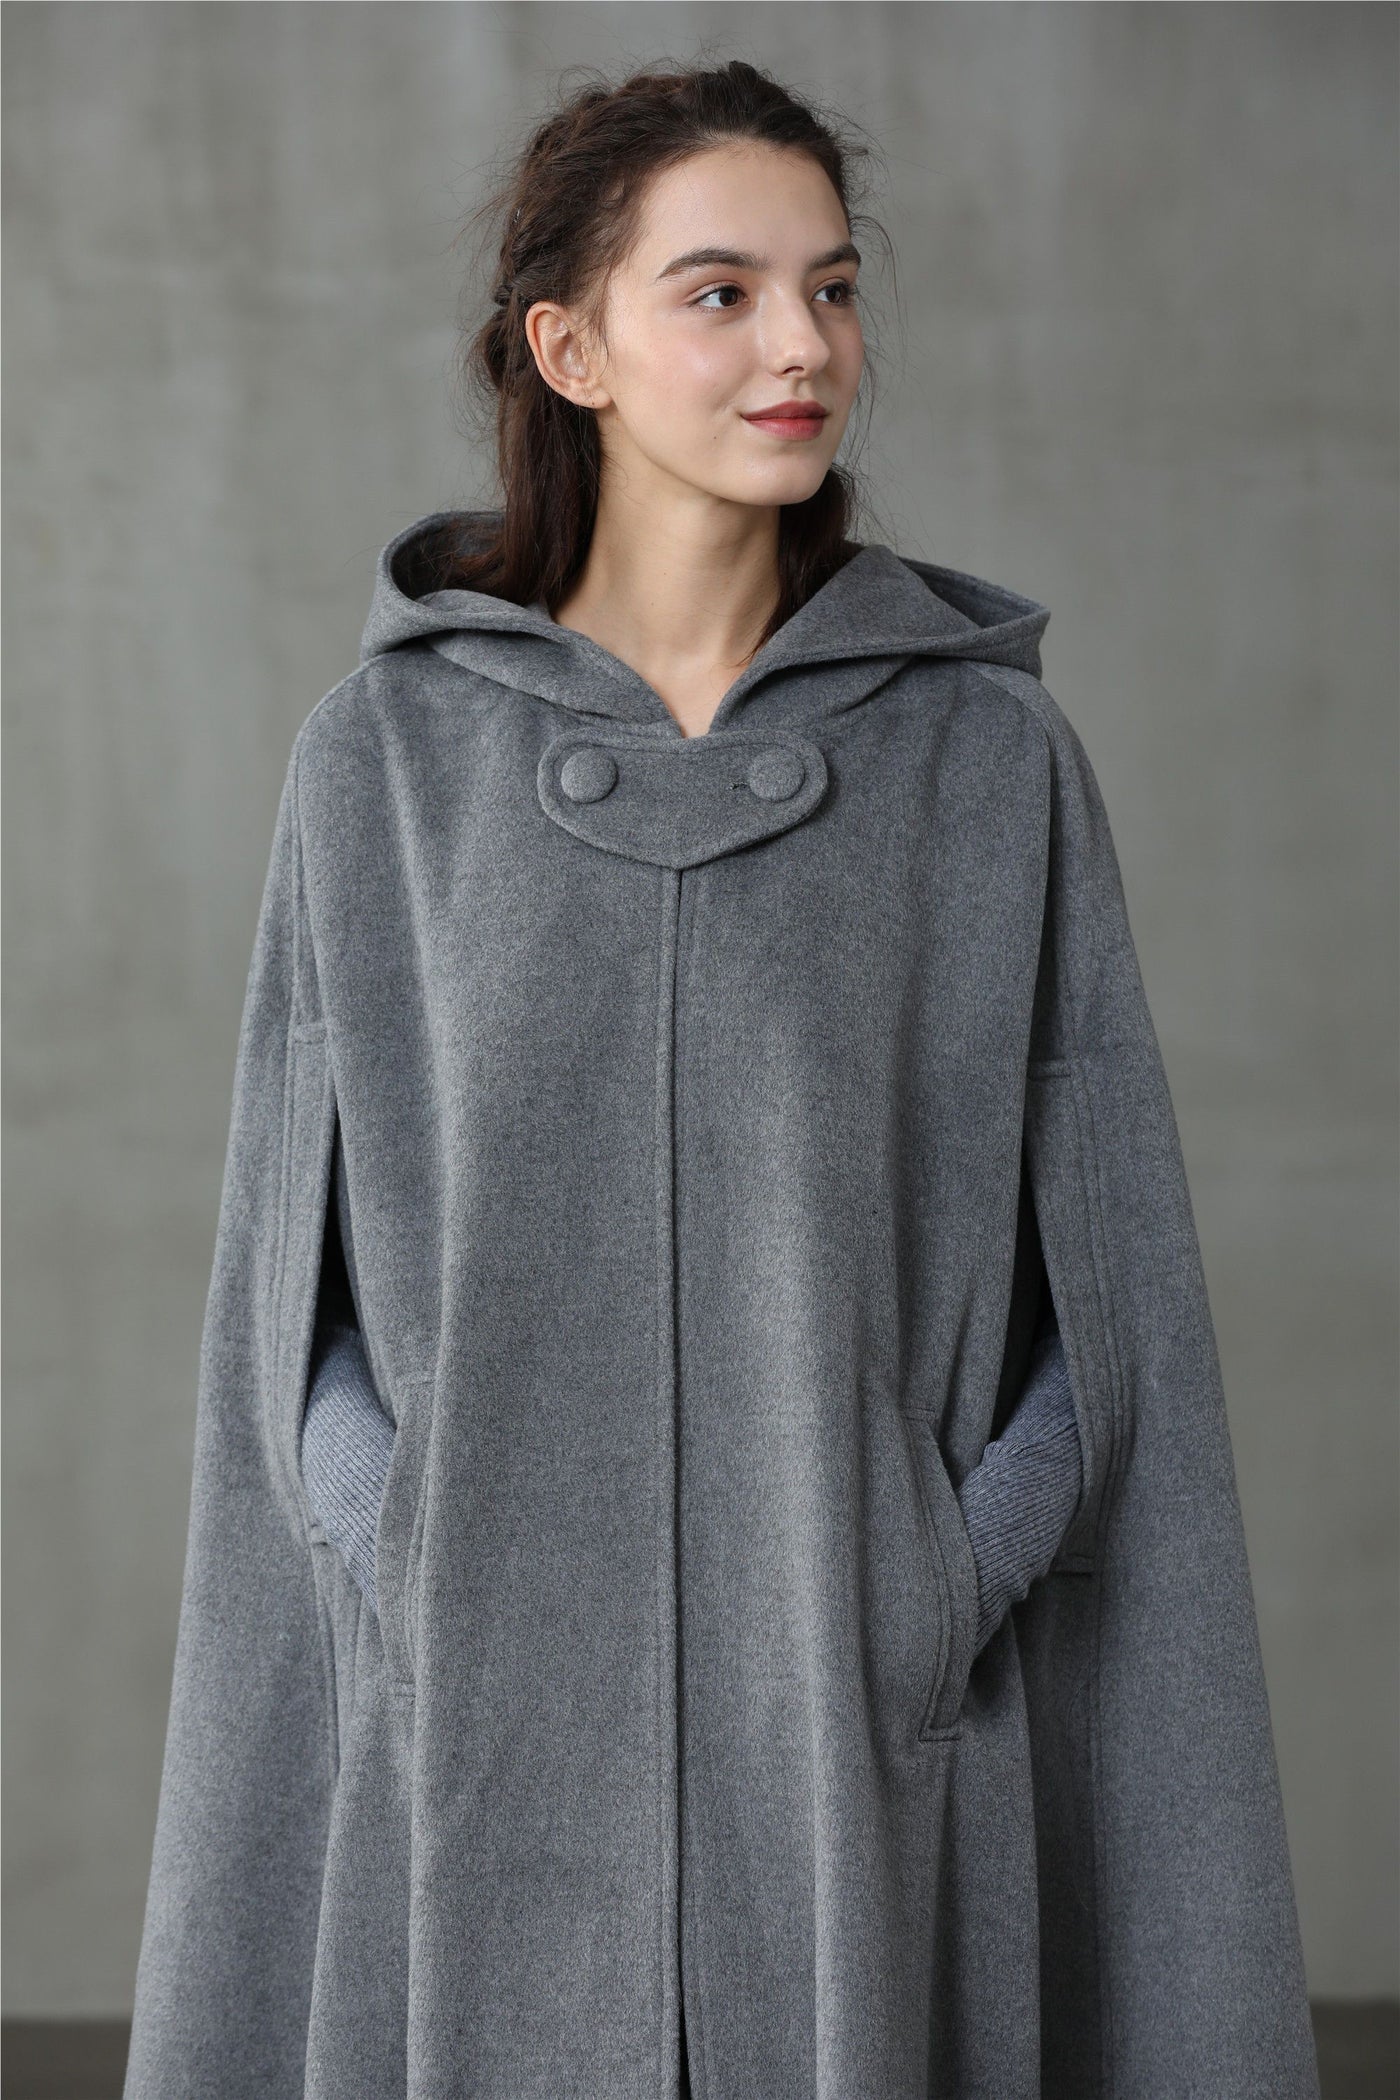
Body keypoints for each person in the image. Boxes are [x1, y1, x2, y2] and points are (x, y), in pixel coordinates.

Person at [124, 57, 1319, 2100]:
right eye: (722, 292)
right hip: (481, 1698)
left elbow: (1107, 1288)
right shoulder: (383, 766)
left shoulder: (985, 762)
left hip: (858, 1697)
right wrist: (407, 1541)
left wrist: (941, 1568)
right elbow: (284, 1295)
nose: (803, 346)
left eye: (832, 288)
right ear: (567, 349)